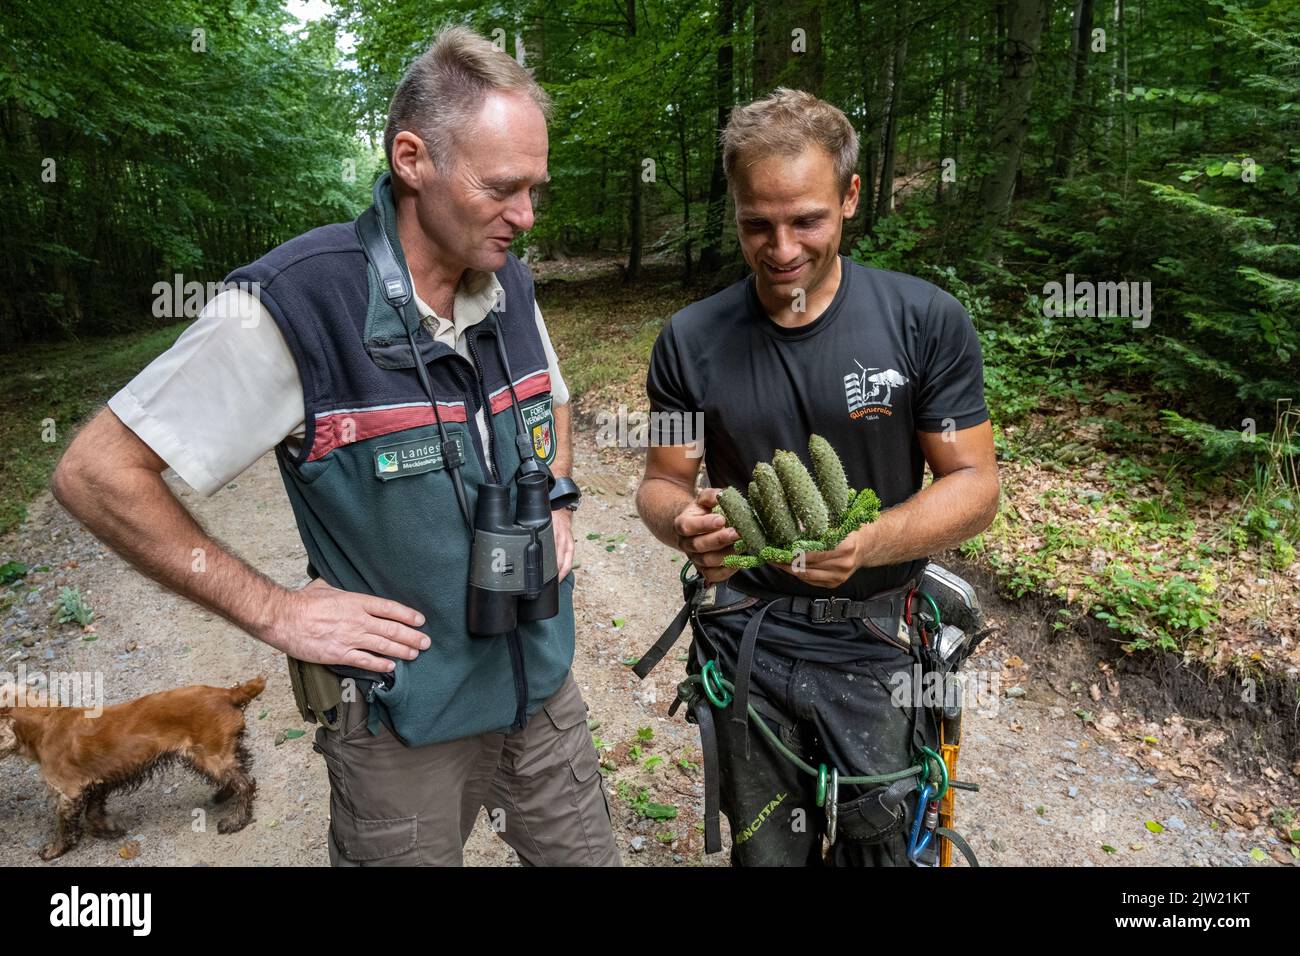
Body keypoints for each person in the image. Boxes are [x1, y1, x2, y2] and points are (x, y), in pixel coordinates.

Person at [52, 26, 619, 867]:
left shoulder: (511, 283)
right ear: (412, 158)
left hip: (541, 696)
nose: (527, 216)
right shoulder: (294, 303)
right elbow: (94, 472)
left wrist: (560, 495)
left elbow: (552, 410)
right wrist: (276, 611)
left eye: (534, 188)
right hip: (401, 731)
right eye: (504, 188)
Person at [634, 88, 1000, 866]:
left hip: (879, 639)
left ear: (851, 195)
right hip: (746, 635)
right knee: (767, 853)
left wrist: (869, 544)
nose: (781, 247)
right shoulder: (689, 342)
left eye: (806, 219)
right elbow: (661, 482)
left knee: (887, 851)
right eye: (756, 223)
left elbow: (974, 485)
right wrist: (682, 524)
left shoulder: (923, 321)